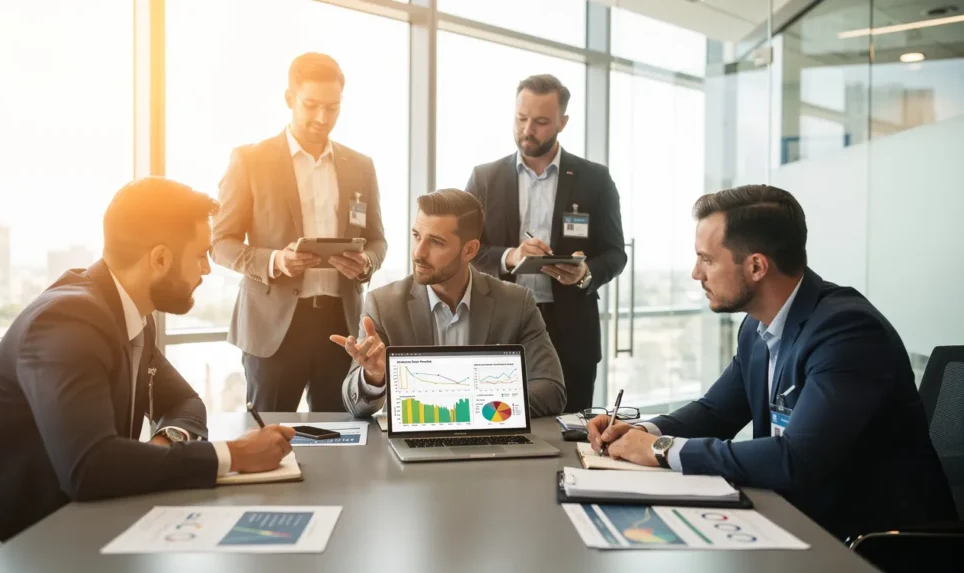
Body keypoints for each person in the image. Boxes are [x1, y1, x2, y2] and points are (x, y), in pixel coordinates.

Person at [586, 184, 956, 538]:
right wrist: (642, 432)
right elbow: (716, 412)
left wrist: (661, 450)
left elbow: (797, 459)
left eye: (707, 259)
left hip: (870, 543)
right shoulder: (757, 328)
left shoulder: (847, 332)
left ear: (757, 267)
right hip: (794, 519)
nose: (696, 273)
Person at [0, 178, 295, 540]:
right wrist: (234, 454)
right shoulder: (66, 321)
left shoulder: (132, 317)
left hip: (75, 523)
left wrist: (166, 441)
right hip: (1, 542)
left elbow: (185, 402)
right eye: (200, 255)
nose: (206, 270)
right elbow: (90, 468)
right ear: (160, 258)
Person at [212, 52, 386, 412]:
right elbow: (220, 243)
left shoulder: (361, 166)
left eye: (333, 108)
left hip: (340, 325)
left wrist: (367, 262)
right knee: (270, 433)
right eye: (311, 105)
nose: (323, 118)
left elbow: (377, 239)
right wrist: (275, 260)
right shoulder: (250, 160)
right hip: (273, 328)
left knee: (343, 432)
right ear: (289, 99)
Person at [466, 74, 627, 412]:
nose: (528, 130)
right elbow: (465, 249)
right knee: (497, 421)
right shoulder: (485, 178)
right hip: (501, 323)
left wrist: (584, 273)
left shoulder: (595, 179)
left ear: (562, 123)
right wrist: (511, 256)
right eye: (521, 119)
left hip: (571, 330)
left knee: (572, 429)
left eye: (540, 122)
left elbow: (615, 253)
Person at [334, 189, 566, 418]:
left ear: (470, 250)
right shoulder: (383, 304)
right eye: (417, 236)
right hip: (413, 439)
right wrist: (374, 377)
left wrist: (469, 409)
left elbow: (551, 389)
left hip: (491, 435)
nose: (418, 253)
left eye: (436, 242)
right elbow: (354, 405)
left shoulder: (516, 303)